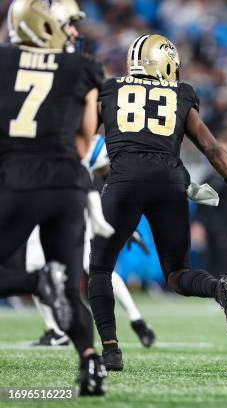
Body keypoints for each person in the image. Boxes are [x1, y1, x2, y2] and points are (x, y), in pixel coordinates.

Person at [89, 34, 227, 371]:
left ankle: (111, 350)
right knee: (177, 273)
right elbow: (212, 149)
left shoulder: (109, 90)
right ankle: (216, 288)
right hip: (170, 183)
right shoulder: (181, 95)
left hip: (123, 180)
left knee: (100, 269)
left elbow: (84, 141)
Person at [0, 0, 108, 395]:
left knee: (48, 282)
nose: (74, 32)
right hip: (68, 185)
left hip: (18, 181)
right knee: (68, 289)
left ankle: (34, 280)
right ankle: (90, 363)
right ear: (44, 25)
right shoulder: (82, 67)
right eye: (67, 24)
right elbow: (85, 140)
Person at [29, 135, 156, 348]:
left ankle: (134, 319)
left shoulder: (91, 159)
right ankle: (134, 319)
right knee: (39, 266)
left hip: (63, 212)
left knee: (93, 267)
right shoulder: (83, 155)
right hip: (55, 209)